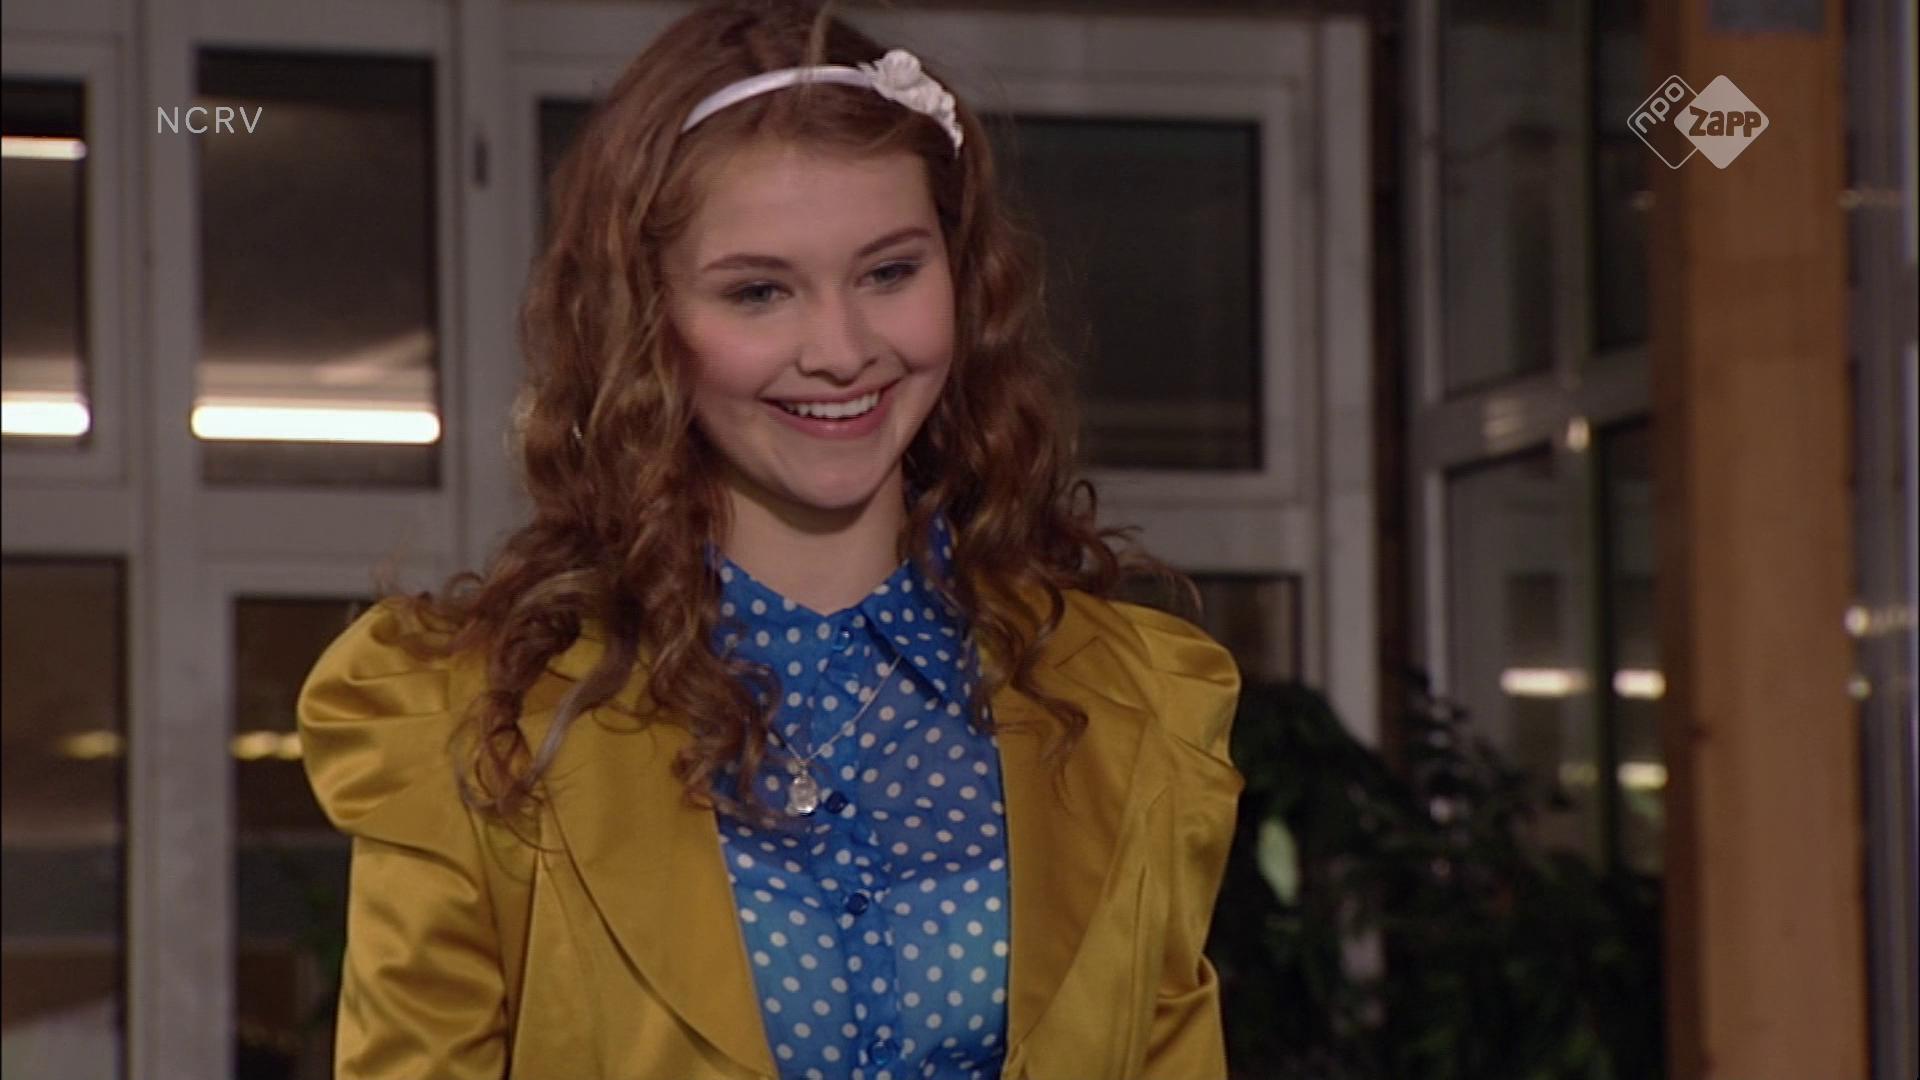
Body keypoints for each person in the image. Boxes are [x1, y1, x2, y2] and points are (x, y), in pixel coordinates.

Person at [296, 2, 1243, 1077]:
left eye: (889, 272)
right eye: (758, 291)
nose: (840, 349)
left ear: (964, 278)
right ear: (644, 322)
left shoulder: (1129, 707)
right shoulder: (483, 722)